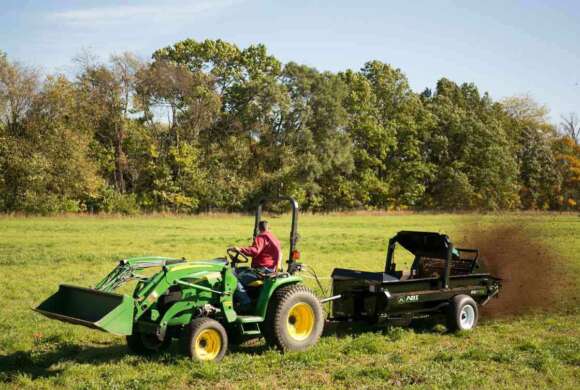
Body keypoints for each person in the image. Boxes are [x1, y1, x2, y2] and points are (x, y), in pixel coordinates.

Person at [231, 220, 281, 311]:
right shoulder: (274, 238)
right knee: (241, 270)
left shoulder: (261, 237)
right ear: (269, 227)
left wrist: (240, 249)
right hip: (270, 270)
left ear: (259, 228)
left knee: (232, 277)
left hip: (261, 271)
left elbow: (255, 251)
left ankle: (245, 302)